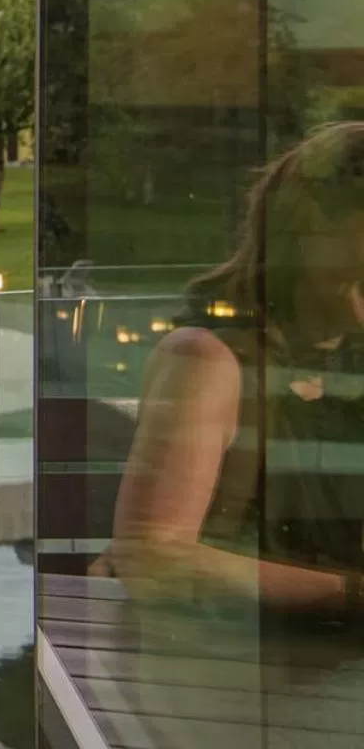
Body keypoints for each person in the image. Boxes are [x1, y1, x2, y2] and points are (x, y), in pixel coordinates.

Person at [100, 122, 364, 620]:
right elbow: (153, 556)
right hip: (243, 674)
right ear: (308, 231)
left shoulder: (347, 362)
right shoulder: (207, 361)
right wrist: (350, 597)